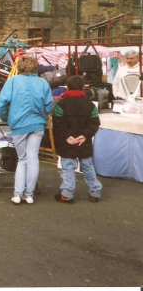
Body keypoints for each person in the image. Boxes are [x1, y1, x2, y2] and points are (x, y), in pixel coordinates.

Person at [0, 55, 53, 205]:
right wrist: (42, 116)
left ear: (19, 67)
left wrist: (6, 118)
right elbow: (49, 105)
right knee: (33, 158)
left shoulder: (13, 81)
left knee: (22, 159)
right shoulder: (43, 83)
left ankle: (18, 194)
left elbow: (1, 103)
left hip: (18, 124)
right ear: (36, 68)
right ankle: (29, 194)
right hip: (37, 124)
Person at [52, 75, 102, 203]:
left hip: (67, 142)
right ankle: (95, 192)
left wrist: (67, 136)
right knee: (88, 166)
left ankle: (67, 193)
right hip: (84, 142)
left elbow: (58, 123)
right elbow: (94, 123)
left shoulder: (60, 104)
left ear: (67, 88)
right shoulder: (90, 105)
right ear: (83, 88)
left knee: (68, 167)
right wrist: (85, 135)